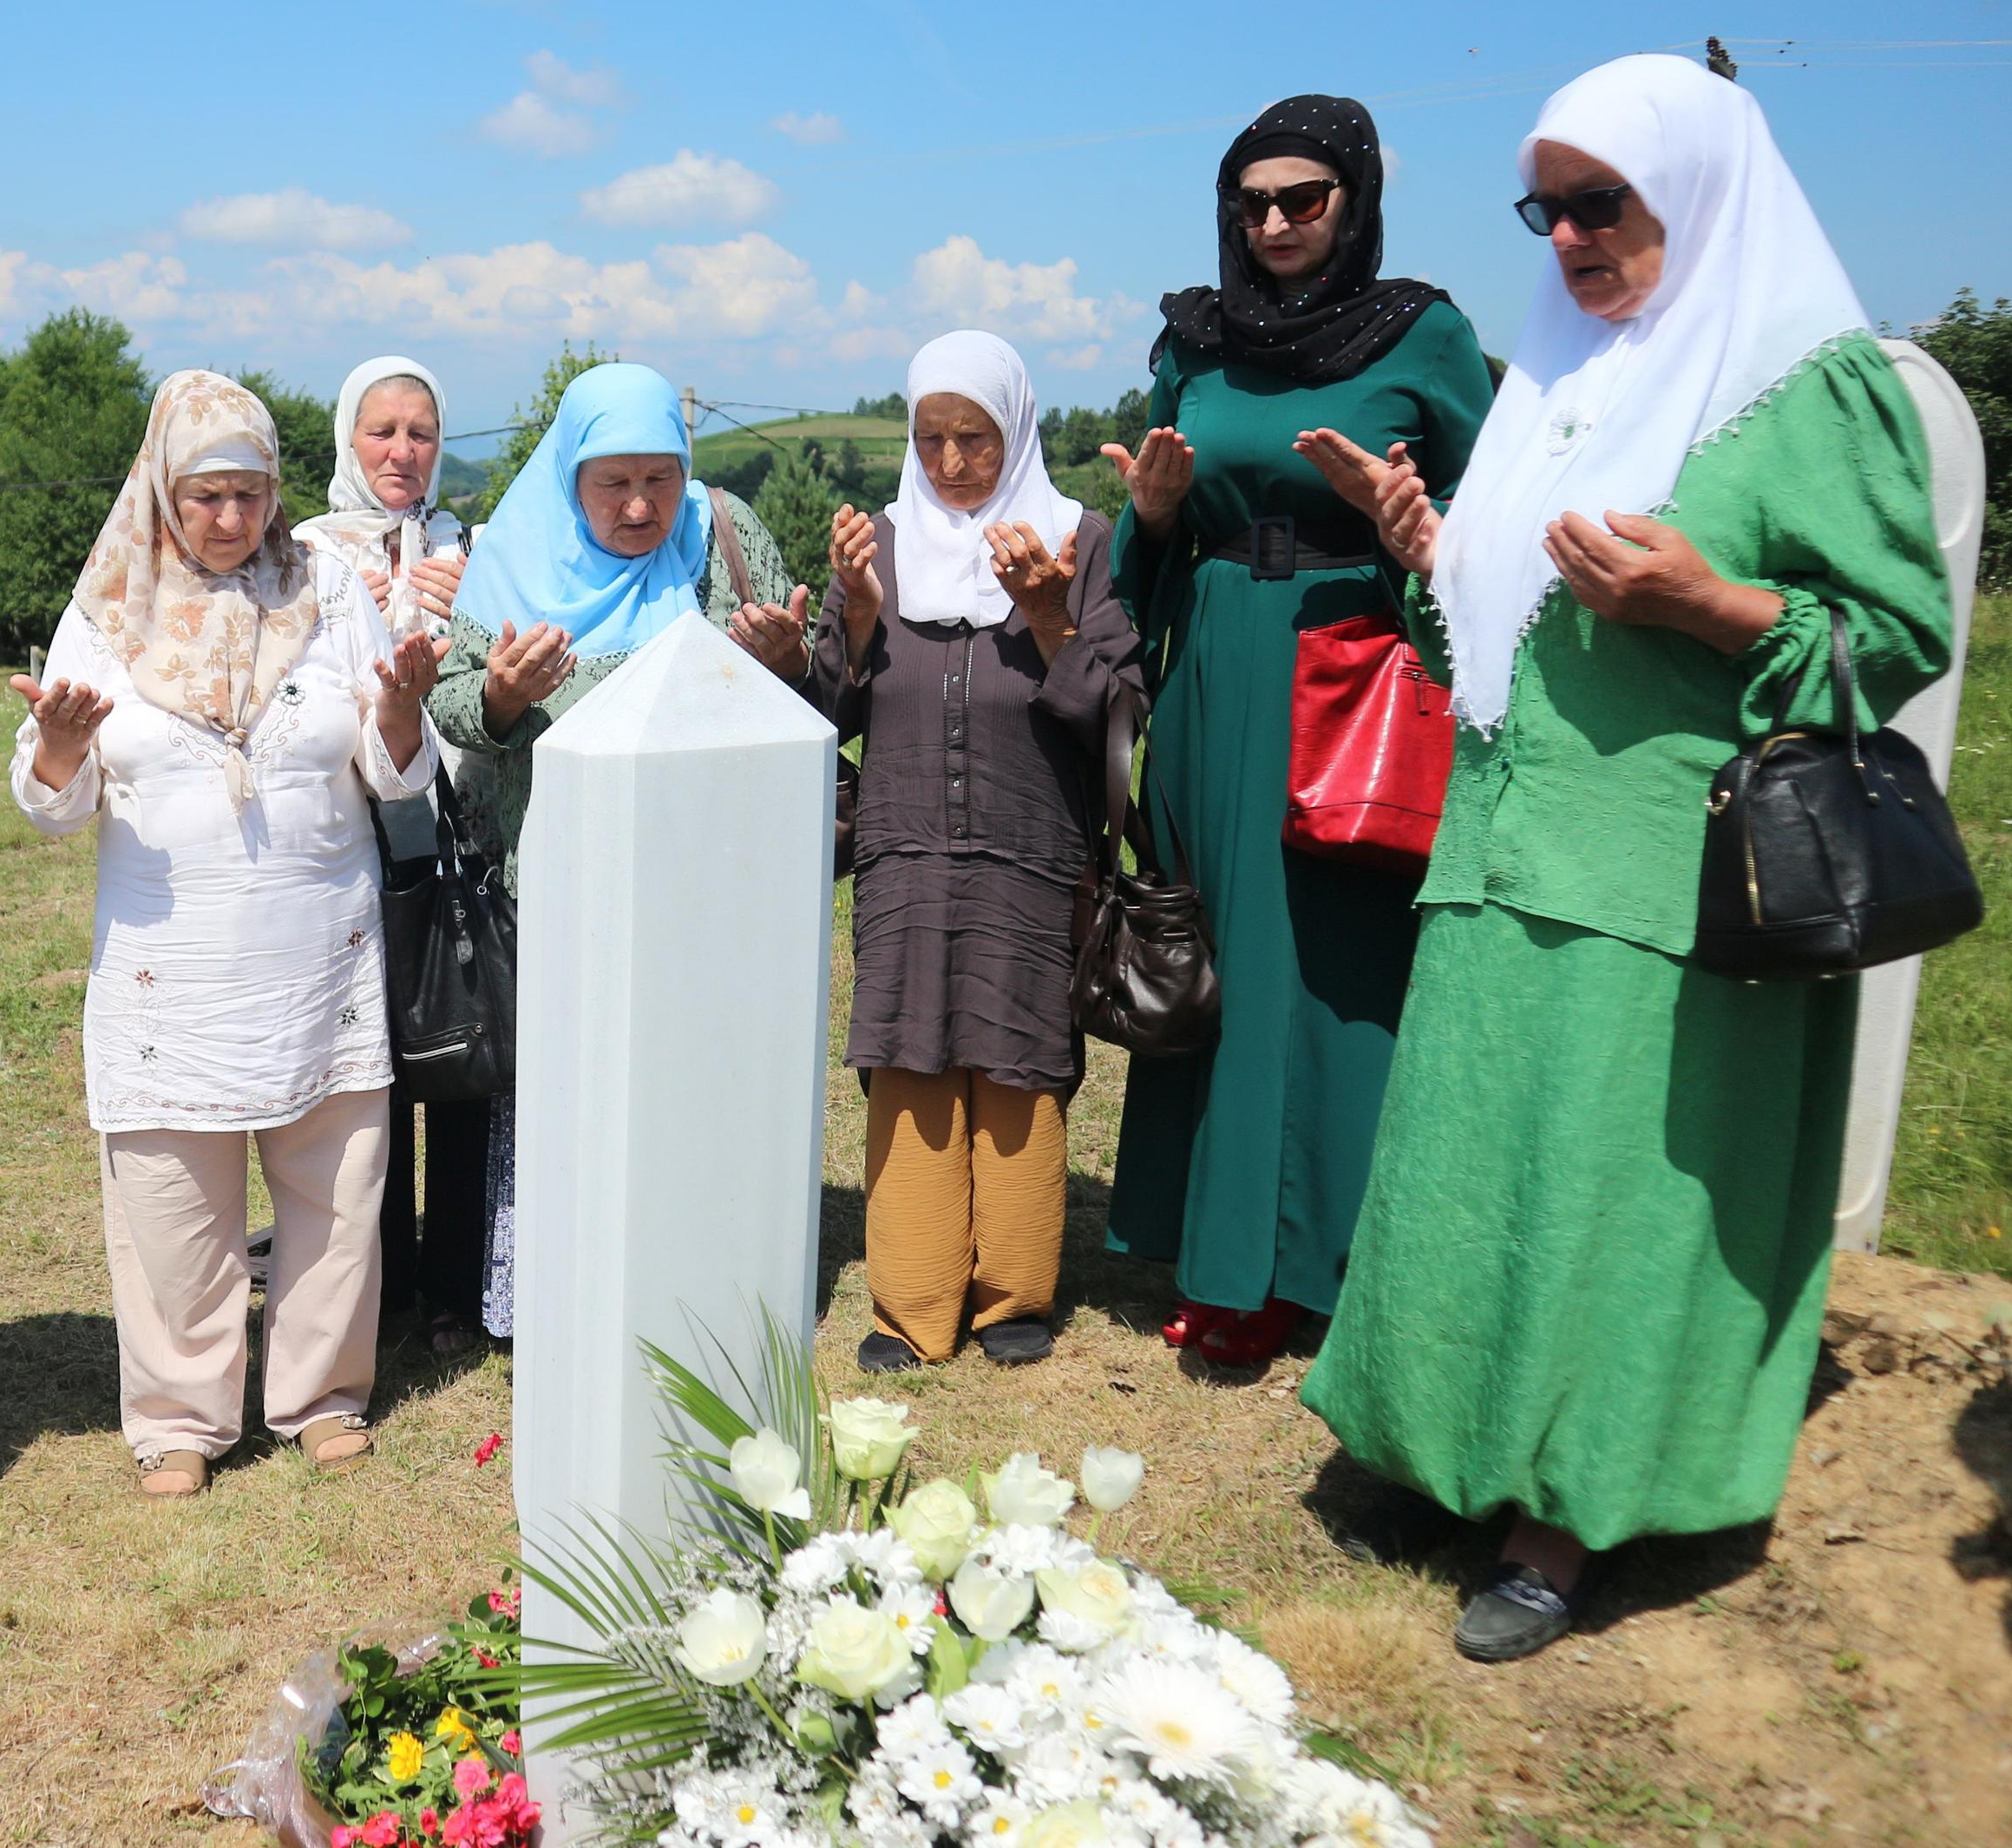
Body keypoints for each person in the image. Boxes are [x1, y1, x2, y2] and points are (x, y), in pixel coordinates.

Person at [1299, 54, 1953, 1661]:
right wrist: (1429, 551)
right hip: (1507, 856)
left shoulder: (1810, 384)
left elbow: (1899, 633)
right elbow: (1501, 640)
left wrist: (1711, 606)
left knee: (1608, 1206)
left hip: (1671, 881)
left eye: (1605, 204)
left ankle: (1568, 1515)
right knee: (1473, 1182)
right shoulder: (1561, 379)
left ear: (1704, 190)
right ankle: (1443, 1457)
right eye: (1549, 209)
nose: (1573, 239)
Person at [1097, 95, 1495, 1366]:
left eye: (1302, 200)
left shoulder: (1422, 334)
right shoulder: (1194, 345)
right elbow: (1145, 533)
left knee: (1323, 970)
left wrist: (1407, 527)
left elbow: (1493, 521)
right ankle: (1219, 1254)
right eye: (1252, 202)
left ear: (1356, 200)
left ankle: (1324, 1262)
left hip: (1353, 664)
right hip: (1214, 663)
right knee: (1212, 952)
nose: (1273, 222)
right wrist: (1154, 521)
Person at [11, 370, 440, 1500]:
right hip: (173, 962)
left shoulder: (331, 589)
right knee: (171, 1200)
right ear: (162, 492)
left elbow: (394, 770)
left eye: (251, 493)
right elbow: (50, 802)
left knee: (336, 1188)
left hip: (317, 946)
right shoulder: (109, 608)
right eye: (206, 495)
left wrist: (398, 712)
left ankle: (323, 1394)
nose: (232, 519)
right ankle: (179, 1419)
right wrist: (58, 747)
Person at [429, 361, 814, 1340]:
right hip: (560, 881)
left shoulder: (720, 542)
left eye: (661, 477)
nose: (642, 505)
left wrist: (784, 665)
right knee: (578, 1086)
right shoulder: (516, 556)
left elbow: (799, 687)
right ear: (571, 477)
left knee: (700, 1073)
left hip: (709, 883)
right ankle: (571, 1291)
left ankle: (705, 1271)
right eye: (613, 482)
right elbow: (453, 704)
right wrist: (506, 698)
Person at [810, 332, 1141, 1373]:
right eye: (932, 439)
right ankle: (912, 1302)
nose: (953, 463)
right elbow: (823, 711)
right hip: (905, 849)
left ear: (1019, 430)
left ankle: (1012, 1296)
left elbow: (1123, 715)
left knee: (1020, 1061)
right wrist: (857, 621)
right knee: (907, 1058)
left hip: (1032, 847)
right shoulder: (884, 548)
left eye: (977, 438)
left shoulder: (1080, 542)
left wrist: (1048, 618)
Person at [295, 355, 488, 1355]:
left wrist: (464, 610)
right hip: (348, 838)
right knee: (363, 1066)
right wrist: (350, 609)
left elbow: (504, 678)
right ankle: (378, 1277)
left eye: (420, 432)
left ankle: (456, 1281)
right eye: (383, 431)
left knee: (456, 1047)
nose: (403, 451)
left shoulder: (475, 547)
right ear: (347, 439)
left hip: (452, 833)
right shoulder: (305, 555)